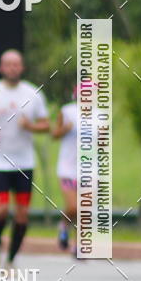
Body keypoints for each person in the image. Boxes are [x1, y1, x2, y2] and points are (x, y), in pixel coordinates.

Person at [0, 49, 49, 268]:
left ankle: (11, 258)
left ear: (22, 67)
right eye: (8, 64)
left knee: (23, 215)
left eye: (16, 64)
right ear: (1, 67)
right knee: (0, 210)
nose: (13, 68)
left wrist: (31, 126)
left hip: (24, 162)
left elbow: (46, 124)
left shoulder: (33, 94)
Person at [51, 90, 78, 254]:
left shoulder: (101, 115)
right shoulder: (67, 111)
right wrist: (65, 129)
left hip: (90, 169)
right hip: (68, 168)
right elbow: (54, 134)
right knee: (73, 207)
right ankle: (64, 224)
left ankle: (78, 245)